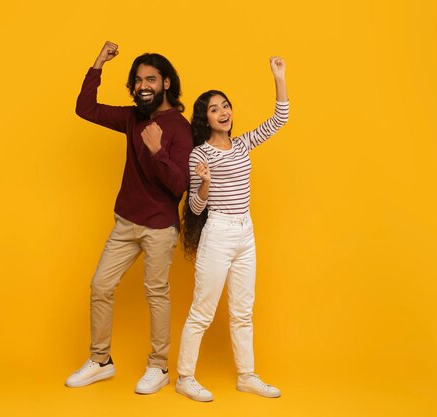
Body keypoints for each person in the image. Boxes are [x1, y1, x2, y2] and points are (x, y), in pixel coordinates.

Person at [65, 41, 193, 395]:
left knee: (156, 294)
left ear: (166, 83)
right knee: (101, 286)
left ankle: (159, 366)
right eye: (138, 81)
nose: (143, 86)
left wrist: (156, 151)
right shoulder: (131, 117)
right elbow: (85, 108)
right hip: (125, 222)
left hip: (159, 226)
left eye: (150, 79)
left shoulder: (179, 128)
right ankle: (101, 361)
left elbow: (179, 185)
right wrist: (98, 63)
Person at [175, 57, 289, 402]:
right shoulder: (200, 155)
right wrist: (205, 184)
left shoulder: (242, 144)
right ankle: (184, 377)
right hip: (219, 232)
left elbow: (279, 119)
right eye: (214, 109)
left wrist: (278, 77)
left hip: (245, 231)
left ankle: (247, 376)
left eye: (225, 106)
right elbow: (195, 208)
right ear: (204, 118)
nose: (223, 112)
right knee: (202, 310)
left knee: (243, 310)